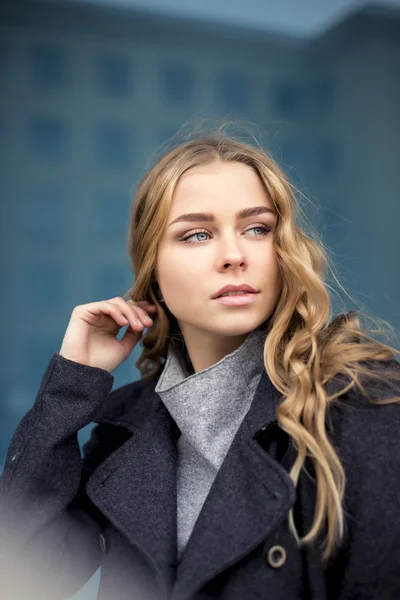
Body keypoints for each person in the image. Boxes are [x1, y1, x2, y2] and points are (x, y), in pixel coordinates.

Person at [1, 128, 400, 600]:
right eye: (197, 234)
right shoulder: (126, 427)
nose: (234, 255)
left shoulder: (366, 402)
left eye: (257, 228)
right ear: (153, 270)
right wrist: (71, 384)